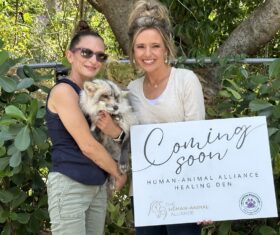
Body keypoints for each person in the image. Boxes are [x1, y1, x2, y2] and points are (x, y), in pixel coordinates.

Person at [127, 0, 206, 234]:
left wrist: (206, 196)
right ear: (132, 50)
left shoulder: (185, 80)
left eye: (155, 46)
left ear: (166, 48)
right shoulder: (131, 89)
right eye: (140, 46)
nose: (148, 54)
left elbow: (200, 141)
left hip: (184, 189)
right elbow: (129, 139)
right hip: (145, 191)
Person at [45, 20, 127, 235]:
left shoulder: (95, 93)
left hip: (96, 186)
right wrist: (118, 172)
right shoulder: (64, 91)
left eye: (100, 55)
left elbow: (115, 134)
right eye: (86, 53)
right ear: (70, 55)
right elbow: (88, 145)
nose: (94, 60)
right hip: (71, 185)